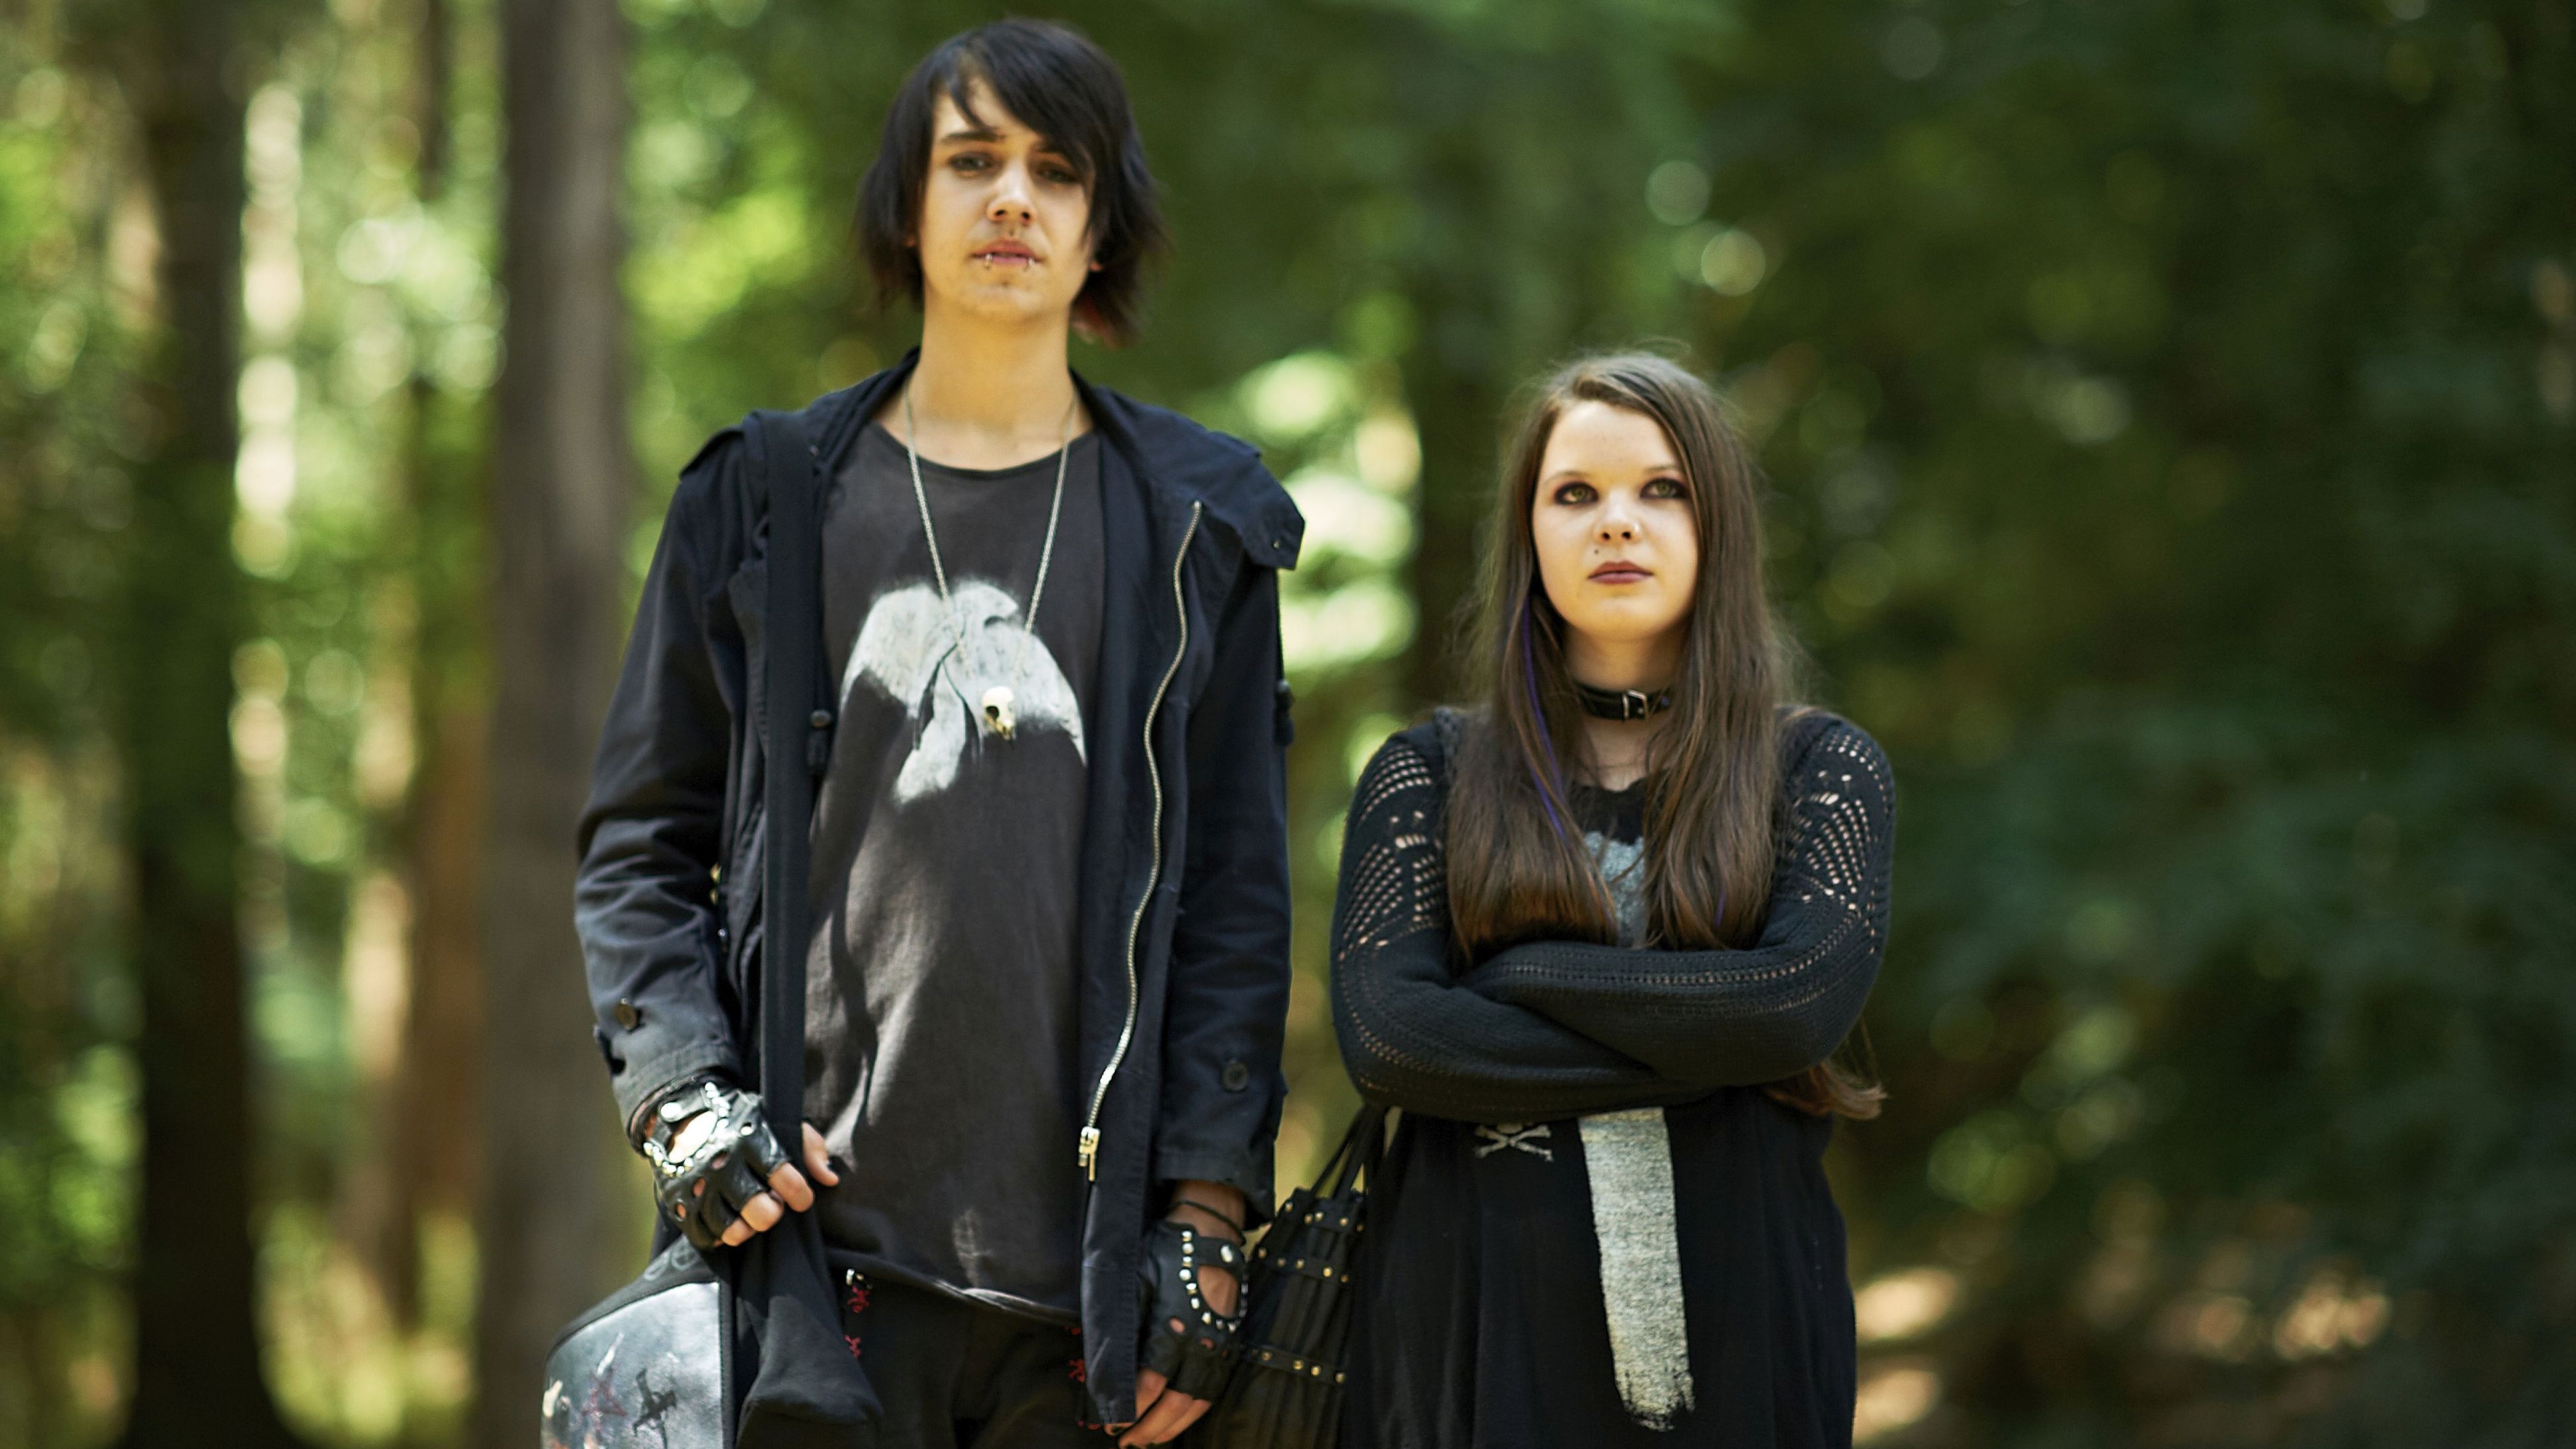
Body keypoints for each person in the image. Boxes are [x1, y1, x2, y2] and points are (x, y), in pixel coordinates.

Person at [575, 19, 1303, 1447]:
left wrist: (1208, 1213)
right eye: (972, 161)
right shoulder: (765, 499)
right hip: (813, 1275)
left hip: (1087, 1299)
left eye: (1056, 169)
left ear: (1101, 229)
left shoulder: (1196, 529)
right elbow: (640, 844)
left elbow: (1235, 894)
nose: (1013, 197)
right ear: (907, 209)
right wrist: (688, 1103)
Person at [1329, 353, 1894, 1448]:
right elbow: (1391, 1040)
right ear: (1528, 533)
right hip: (1471, 1329)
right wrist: (1708, 1034)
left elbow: (1790, 1011)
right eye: (1574, 493)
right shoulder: (1427, 774)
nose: (1616, 522)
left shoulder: (1818, 771)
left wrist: (1516, 977)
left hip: (1743, 1330)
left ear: (1717, 523)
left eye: (1661, 489)